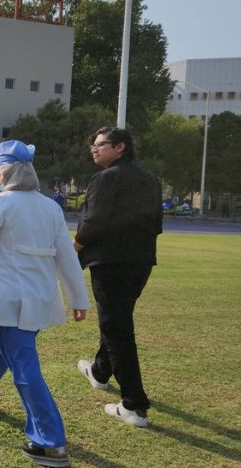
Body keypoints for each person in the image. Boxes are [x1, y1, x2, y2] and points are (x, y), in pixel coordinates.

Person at [0, 140, 88, 468]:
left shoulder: (0, 203)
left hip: (7, 297)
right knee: (8, 350)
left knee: (24, 367)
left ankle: (50, 442)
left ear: (3, 172)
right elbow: (67, 255)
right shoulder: (51, 207)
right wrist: (78, 298)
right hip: (38, 299)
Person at [74, 127, 162, 428]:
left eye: (100, 145)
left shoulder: (104, 179)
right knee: (118, 320)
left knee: (116, 327)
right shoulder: (151, 181)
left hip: (110, 261)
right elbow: (156, 224)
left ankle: (134, 406)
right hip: (141, 261)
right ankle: (99, 372)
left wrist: (74, 249)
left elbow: (93, 222)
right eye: (93, 145)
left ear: (120, 147)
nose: (94, 149)